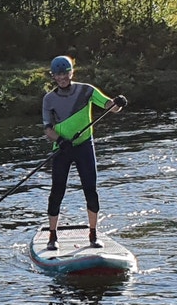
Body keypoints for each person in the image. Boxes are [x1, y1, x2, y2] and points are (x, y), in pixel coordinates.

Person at [41, 55, 126, 249]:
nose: (62, 77)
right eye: (58, 74)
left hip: (84, 147)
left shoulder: (86, 91)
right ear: (53, 76)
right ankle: (52, 236)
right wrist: (60, 141)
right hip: (62, 149)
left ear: (72, 72)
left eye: (65, 73)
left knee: (90, 190)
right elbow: (47, 129)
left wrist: (118, 103)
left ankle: (93, 234)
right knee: (57, 192)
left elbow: (110, 107)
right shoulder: (49, 99)